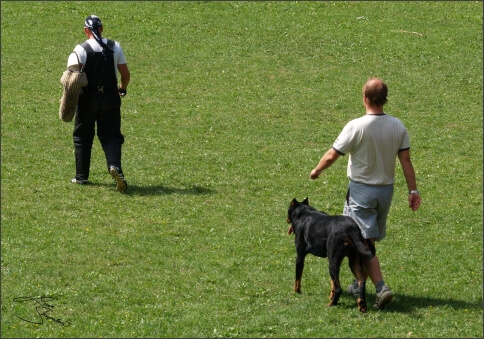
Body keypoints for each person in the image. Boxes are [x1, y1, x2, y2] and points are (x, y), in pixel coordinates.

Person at [309, 77, 421, 310]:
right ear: (385, 100)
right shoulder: (398, 126)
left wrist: (317, 170)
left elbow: (332, 155)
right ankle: (357, 284)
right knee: (364, 239)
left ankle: (381, 287)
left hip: (361, 192)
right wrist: (413, 190)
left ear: (365, 98)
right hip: (385, 192)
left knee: (363, 243)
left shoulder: (356, 126)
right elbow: (406, 160)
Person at [67, 15, 131, 193]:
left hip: (87, 99)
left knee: (82, 136)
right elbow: (125, 74)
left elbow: (70, 76)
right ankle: (114, 167)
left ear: (86, 30)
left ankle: (81, 177)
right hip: (110, 98)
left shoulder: (81, 49)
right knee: (111, 136)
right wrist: (122, 88)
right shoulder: (114, 46)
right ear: (102, 29)